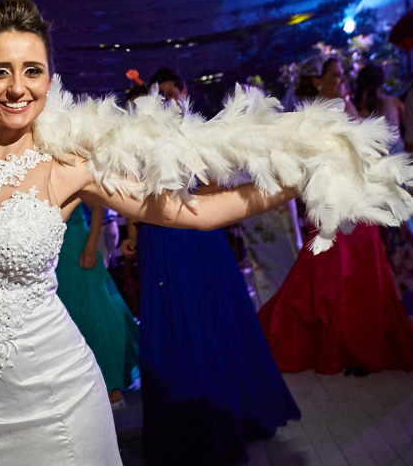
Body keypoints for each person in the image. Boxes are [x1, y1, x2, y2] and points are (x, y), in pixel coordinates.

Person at [0, 0, 299, 465]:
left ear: (49, 81)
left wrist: (295, 182)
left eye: (32, 71)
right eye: (1, 71)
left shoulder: (67, 168)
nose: (17, 87)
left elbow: (196, 214)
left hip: (58, 399)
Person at [124, 68, 301, 466]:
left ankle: (235, 415)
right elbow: (125, 198)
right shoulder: (126, 150)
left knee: (215, 327)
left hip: (196, 239)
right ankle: (188, 428)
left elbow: (217, 184)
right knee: (174, 335)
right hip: (160, 245)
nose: (148, 110)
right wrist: (132, 231)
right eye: (137, 107)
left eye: (159, 99)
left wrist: (182, 191)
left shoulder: (190, 138)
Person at [258, 56, 413, 375]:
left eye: (344, 76)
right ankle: (341, 344)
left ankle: (361, 342)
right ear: (317, 80)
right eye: (337, 76)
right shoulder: (309, 117)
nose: (343, 81)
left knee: (365, 268)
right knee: (333, 274)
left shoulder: (348, 107)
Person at [55, 202, 139, 407]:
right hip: (53, 253)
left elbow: (98, 208)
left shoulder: (71, 170)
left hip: (77, 247)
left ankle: (111, 384)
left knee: (96, 313)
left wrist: (91, 247)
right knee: (68, 316)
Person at [354, 64, 404, 154]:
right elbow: (407, 121)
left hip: (370, 153)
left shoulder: (354, 106)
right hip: (396, 151)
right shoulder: (393, 102)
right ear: (382, 82)